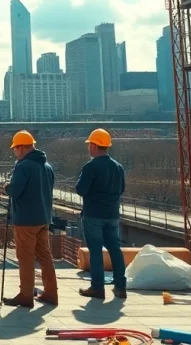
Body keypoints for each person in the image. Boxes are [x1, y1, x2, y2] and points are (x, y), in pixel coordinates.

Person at [3, 130, 58, 308]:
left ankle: (26, 295)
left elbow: (15, 191)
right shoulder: (47, 166)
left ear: (21, 148)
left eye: (15, 149)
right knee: (45, 256)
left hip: (26, 220)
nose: (14, 153)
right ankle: (51, 292)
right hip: (44, 218)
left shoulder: (23, 166)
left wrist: (7, 187)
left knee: (25, 258)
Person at [75, 128, 127, 300]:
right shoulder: (117, 167)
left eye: (90, 145)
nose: (89, 148)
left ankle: (97, 287)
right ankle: (120, 287)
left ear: (95, 146)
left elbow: (81, 190)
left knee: (96, 251)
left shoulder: (91, 167)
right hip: (112, 214)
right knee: (115, 249)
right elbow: (122, 189)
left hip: (93, 214)